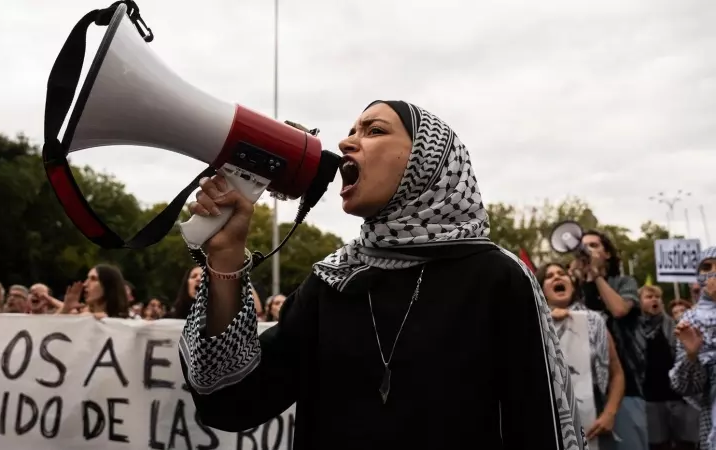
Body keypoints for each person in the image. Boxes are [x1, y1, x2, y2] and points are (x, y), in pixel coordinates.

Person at [178, 100, 587, 449]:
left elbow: (538, 427)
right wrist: (227, 257)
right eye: (352, 130)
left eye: (374, 130)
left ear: (427, 161)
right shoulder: (333, 281)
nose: (345, 142)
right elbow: (232, 401)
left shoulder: (497, 277)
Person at [570, 230, 646, 450]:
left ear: (608, 254)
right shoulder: (574, 286)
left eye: (593, 246)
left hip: (626, 387)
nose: (587, 250)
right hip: (584, 391)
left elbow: (620, 310)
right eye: (583, 246)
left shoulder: (624, 282)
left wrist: (596, 276)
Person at [537, 263, 624, 450]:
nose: (557, 277)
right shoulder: (530, 323)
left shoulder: (595, 321)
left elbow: (617, 374)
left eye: (562, 273)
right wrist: (549, 319)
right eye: (549, 276)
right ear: (540, 289)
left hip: (594, 420)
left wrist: (609, 413)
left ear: (572, 283)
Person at [639, 285, 698, 450]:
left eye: (657, 297)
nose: (654, 300)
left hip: (679, 397)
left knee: (685, 444)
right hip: (651, 399)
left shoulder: (674, 326)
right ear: (639, 302)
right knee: (658, 445)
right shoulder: (636, 330)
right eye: (649, 297)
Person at [670, 245, 716, 450]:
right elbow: (684, 386)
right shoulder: (691, 320)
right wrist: (691, 355)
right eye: (706, 267)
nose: (713, 273)